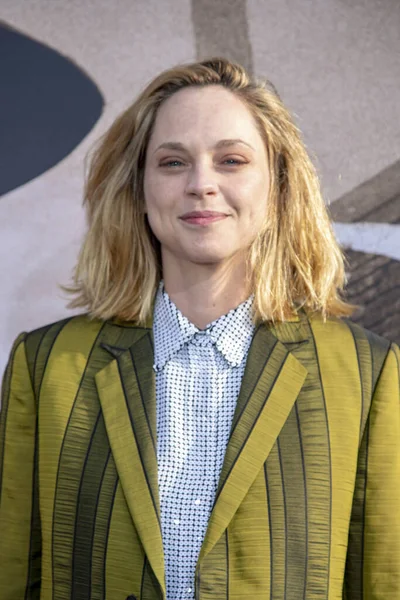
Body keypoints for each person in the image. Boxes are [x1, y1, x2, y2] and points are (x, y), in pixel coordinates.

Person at [0, 57, 399, 600]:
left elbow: (383, 581)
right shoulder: (48, 367)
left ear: (278, 187)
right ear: (139, 189)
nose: (201, 184)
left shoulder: (365, 375)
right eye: (172, 162)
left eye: (231, 160)